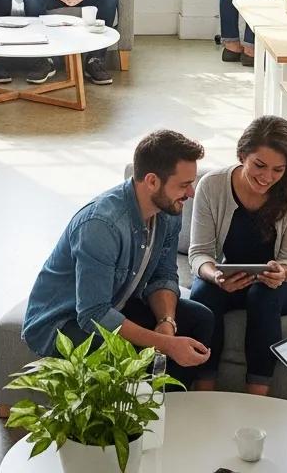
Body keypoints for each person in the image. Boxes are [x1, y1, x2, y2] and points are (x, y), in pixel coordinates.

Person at [22, 130, 214, 388]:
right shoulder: (101, 225)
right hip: (67, 321)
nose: (190, 193)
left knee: (201, 319)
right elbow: (93, 314)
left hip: (116, 301)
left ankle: (171, 412)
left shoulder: (169, 211)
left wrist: (165, 321)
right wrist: (166, 343)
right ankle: (142, 423)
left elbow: (163, 275)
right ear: (152, 181)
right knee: (131, 359)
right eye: (183, 185)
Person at [188, 116, 287, 394]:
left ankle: (257, 396)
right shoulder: (212, 186)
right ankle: (203, 390)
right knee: (203, 293)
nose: (267, 177)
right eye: (259, 165)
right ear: (242, 155)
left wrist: (281, 272)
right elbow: (199, 253)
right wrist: (214, 274)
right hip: (235, 275)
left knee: (263, 294)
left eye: (278, 170)